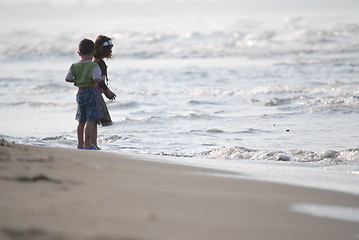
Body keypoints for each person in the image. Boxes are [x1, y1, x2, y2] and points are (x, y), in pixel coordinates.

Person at [65, 39, 103, 150]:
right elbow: (97, 78)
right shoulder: (93, 66)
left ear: (79, 53)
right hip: (91, 91)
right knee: (91, 119)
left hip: (80, 93)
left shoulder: (74, 65)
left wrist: (78, 80)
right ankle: (88, 144)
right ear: (93, 52)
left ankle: (80, 144)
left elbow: (68, 78)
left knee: (81, 120)